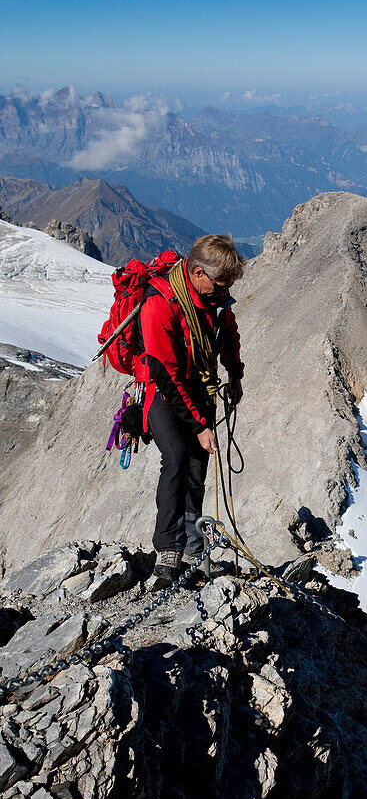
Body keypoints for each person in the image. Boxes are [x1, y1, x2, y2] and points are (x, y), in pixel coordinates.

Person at [140, 234, 245, 585]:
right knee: (177, 455)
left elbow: (227, 336)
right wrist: (200, 424)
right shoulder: (160, 302)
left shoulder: (213, 300)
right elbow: (165, 371)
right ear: (198, 273)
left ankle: (192, 545)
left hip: (199, 387)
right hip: (162, 392)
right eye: (220, 283)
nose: (224, 290)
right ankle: (168, 546)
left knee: (198, 466)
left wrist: (235, 375)